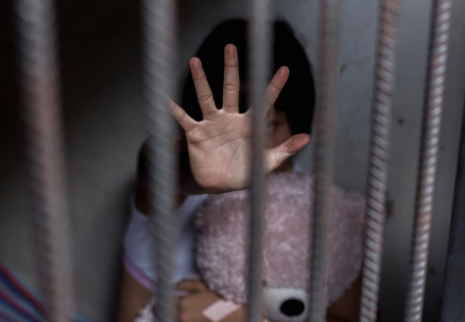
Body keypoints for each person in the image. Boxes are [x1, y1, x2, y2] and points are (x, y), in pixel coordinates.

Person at [116, 19, 360, 322]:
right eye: (230, 126)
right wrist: (199, 165)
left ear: (299, 125)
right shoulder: (178, 191)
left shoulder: (316, 211)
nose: (250, 145)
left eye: (269, 124)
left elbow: (351, 316)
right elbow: (157, 161)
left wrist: (240, 317)